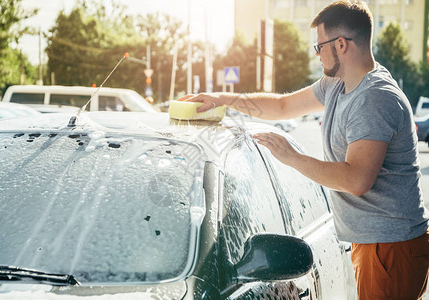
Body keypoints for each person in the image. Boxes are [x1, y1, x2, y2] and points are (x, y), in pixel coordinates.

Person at [179, 1, 429, 299]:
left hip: (390, 247)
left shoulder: (374, 99)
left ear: (341, 44)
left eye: (319, 46)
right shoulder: (337, 84)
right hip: (375, 244)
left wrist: (292, 157)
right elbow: (283, 106)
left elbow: (356, 180)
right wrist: (221, 99)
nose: (317, 54)